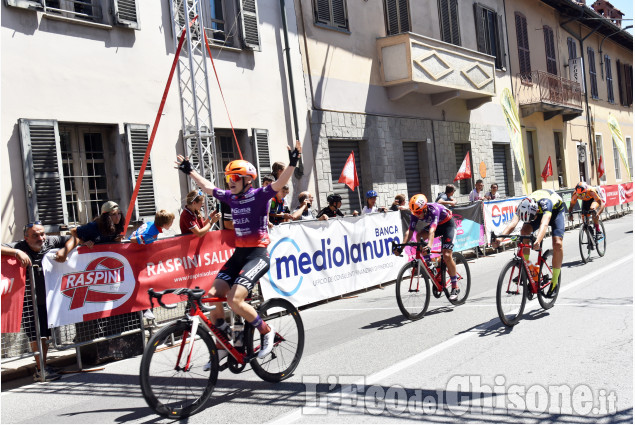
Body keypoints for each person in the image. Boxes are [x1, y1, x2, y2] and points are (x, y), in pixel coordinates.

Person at [175, 139, 302, 360]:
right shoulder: (231, 198)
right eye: (228, 178)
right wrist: (190, 171)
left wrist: (293, 162)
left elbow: (281, 181)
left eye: (234, 178)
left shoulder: (260, 195)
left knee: (234, 300)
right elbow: (207, 187)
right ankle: (228, 345)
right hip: (239, 256)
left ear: (247, 180)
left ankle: (266, 331)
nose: (230, 182)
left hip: (257, 255)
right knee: (212, 297)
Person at [1, 222, 70, 381]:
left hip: (49, 298)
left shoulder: (51, 242)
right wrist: (16, 252)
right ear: (26, 238)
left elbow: (76, 237)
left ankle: (43, 366)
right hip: (29, 300)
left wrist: (65, 251)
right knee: (36, 335)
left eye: (42, 234)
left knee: (45, 334)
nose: (41, 238)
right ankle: (40, 371)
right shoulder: (19, 245)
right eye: (35, 235)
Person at [492, 189, 565, 295]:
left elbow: (544, 224)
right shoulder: (523, 205)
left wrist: (538, 241)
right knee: (524, 231)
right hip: (537, 212)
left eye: (531, 219)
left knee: (557, 243)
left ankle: (554, 281)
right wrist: (499, 239)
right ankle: (526, 270)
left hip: (555, 212)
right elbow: (512, 224)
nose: (530, 221)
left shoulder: (546, 203)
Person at [393, 194, 461, 300]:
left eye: (419, 212)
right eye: (415, 212)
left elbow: (432, 230)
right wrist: (401, 247)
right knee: (419, 236)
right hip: (437, 226)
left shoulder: (433, 209)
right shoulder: (416, 212)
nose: (417, 215)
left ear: (425, 208)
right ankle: (430, 264)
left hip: (448, 225)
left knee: (447, 255)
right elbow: (410, 231)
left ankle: (454, 286)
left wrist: (429, 245)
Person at [54, 201, 125, 262]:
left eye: (119, 213)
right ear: (106, 216)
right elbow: (73, 231)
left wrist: (116, 240)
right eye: (113, 214)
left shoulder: (118, 226)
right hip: (88, 261)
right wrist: (83, 242)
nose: (118, 217)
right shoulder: (93, 226)